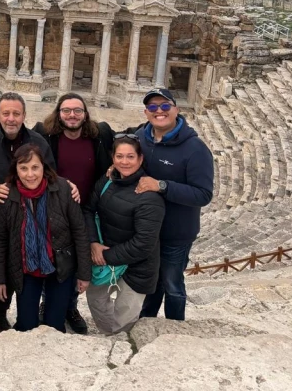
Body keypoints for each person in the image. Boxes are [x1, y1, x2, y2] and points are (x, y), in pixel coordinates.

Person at [0, 92, 56, 336]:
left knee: (14, 274)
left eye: (16, 113)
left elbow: (50, 177)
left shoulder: (39, 143)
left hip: (23, 225)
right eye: (6, 113)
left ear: (24, 115)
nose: (11, 118)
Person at [31, 93, 115, 334]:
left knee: (78, 260)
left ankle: (70, 307)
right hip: (54, 208)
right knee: (53, 258)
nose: (72, 115)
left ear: (85, 114)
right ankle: (49, 303)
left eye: (77, 110)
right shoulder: (44, 133)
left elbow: (133, 136)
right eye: (66, 110)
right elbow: (17, 136)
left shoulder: (101, 134)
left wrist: (113, 165)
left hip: (87, 210)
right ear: (58, 113)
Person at [0, 144, 91, 333]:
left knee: (54, 326)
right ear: (16, 170)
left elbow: (79, 230)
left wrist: (84, 274)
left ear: (44, 167)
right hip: (26, 269)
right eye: (24, 168)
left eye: (35, 167)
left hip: (60, 267)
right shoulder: (8, 195)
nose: (30, 174)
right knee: (26, 326)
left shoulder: (63, 188)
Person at [133, 88, 214, 322]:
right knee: (151, 280)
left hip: (177, 232)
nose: (160, 111)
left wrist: (162, 186)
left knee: (172, 283)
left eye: (165, 106)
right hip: (148, 230)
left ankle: (175, 327)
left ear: (176, 109)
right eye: (153, 107)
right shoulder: (141, 137)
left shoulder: (195, 148)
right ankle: (146, 321)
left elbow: (203, 194)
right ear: (146, 112)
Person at [84, 135, 165, 334]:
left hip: (136, 266)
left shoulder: (149, 198)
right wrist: (94, 243)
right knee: (95, 299)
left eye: (130, 157)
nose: (124, 161)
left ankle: (121, 344)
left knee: (126, 312)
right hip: (103, 256)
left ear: (140, 159)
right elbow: (87, 210)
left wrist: (105, 256)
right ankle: (109, 336)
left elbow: (143, 243)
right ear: (113, 158)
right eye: (119, 156)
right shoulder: (107, 180)